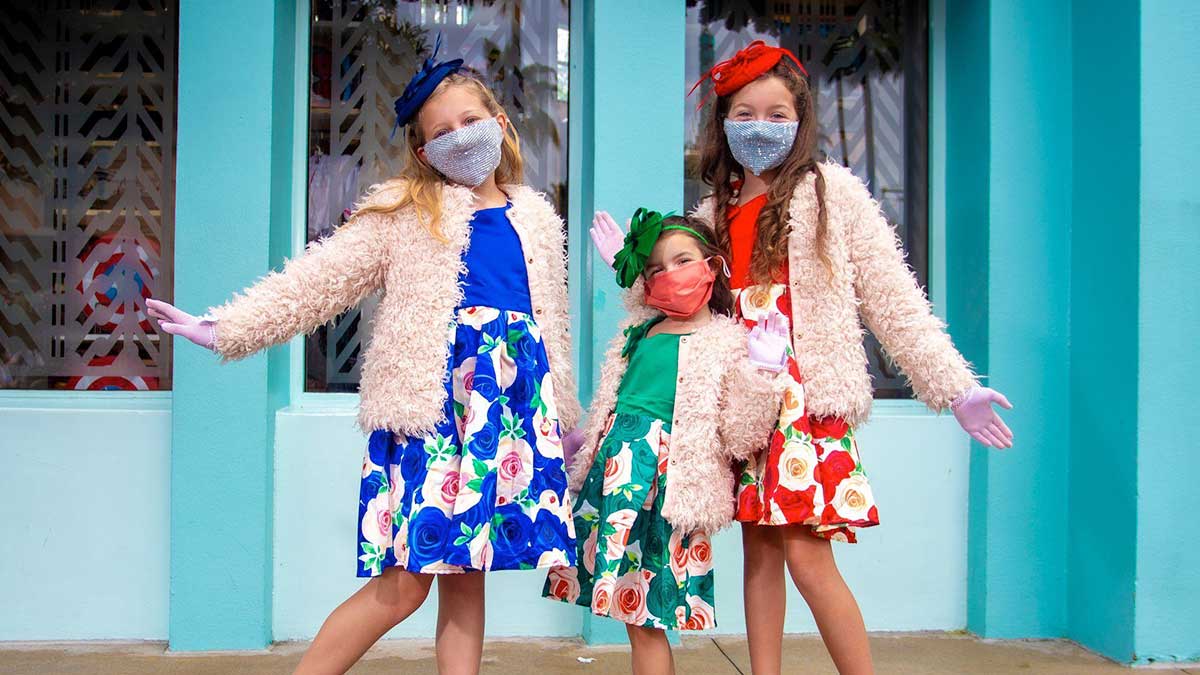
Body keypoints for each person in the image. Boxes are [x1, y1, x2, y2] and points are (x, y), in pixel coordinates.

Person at [148, 43, 579, 675]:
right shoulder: (406, 213)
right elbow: (317, 280)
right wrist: (228, 328)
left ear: (500, 123)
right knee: (405, 583)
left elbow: (553, 326)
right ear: (423, 151)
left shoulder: (536, 217)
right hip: (435, 411)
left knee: (468, 574)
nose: (459, 138)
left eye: (469, 121)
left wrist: (560, 417)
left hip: (508, 415)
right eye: (441, 132)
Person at [592, 40, 1014, 675]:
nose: (760, 127)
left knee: (808, 557)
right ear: (723, 124)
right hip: (743, 400)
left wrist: (953, 388)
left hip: (806, 401)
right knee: (759, 554)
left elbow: (892, 297)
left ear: (801, 119)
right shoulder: (714, 212)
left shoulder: (831, 195)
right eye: (744, 114)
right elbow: (689, 307)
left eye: (776, 114)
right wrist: (635, 277)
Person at [544, 209, 787, 674]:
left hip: (665, 487)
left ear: (711, 267)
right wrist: (580, 442)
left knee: (647, 613)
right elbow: (615, 400)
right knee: (631, 616)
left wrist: (763, 375)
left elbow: (740, 436)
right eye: (655, 268)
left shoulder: (725, 341)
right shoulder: (641, 329)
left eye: (682, 261)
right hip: (614, 478)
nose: (669, 275)